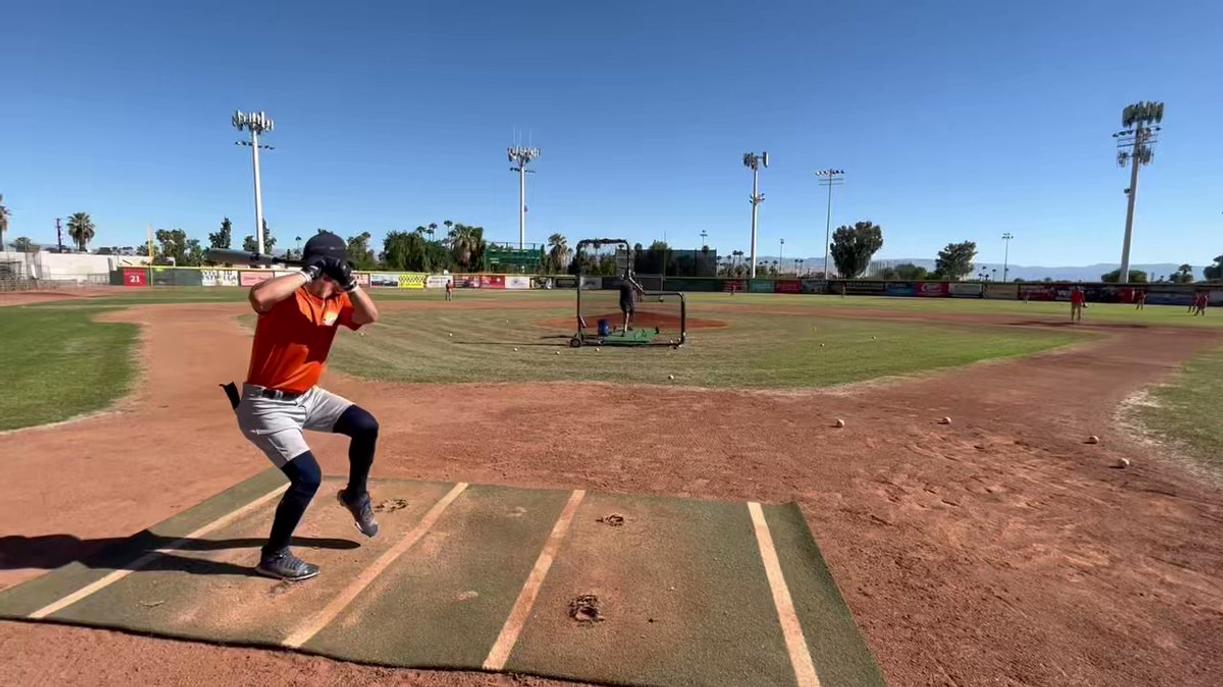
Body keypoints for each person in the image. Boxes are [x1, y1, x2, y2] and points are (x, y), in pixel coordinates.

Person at [237, 231, 381, 582]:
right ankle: (273, 556)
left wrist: (351, 284)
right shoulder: (287, 295)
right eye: (337, 272)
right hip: (266, 405)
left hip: (307, 396)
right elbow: (258, 296)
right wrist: (307, 273)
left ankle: (355, 495)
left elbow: (370, 316)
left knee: (365, 426)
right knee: (307, 478)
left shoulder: (338, 300)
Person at [619, 268, 639, 333]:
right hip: (624, 301)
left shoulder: (632, 282)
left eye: (630, 273)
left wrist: (639, 288)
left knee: (632, 313)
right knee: (626, 314)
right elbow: (623, 286)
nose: (630, 275)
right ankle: (624, 328)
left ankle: (629, 326)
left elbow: (635, 289)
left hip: (631, 301)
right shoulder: (624, 282)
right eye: (628, 273)